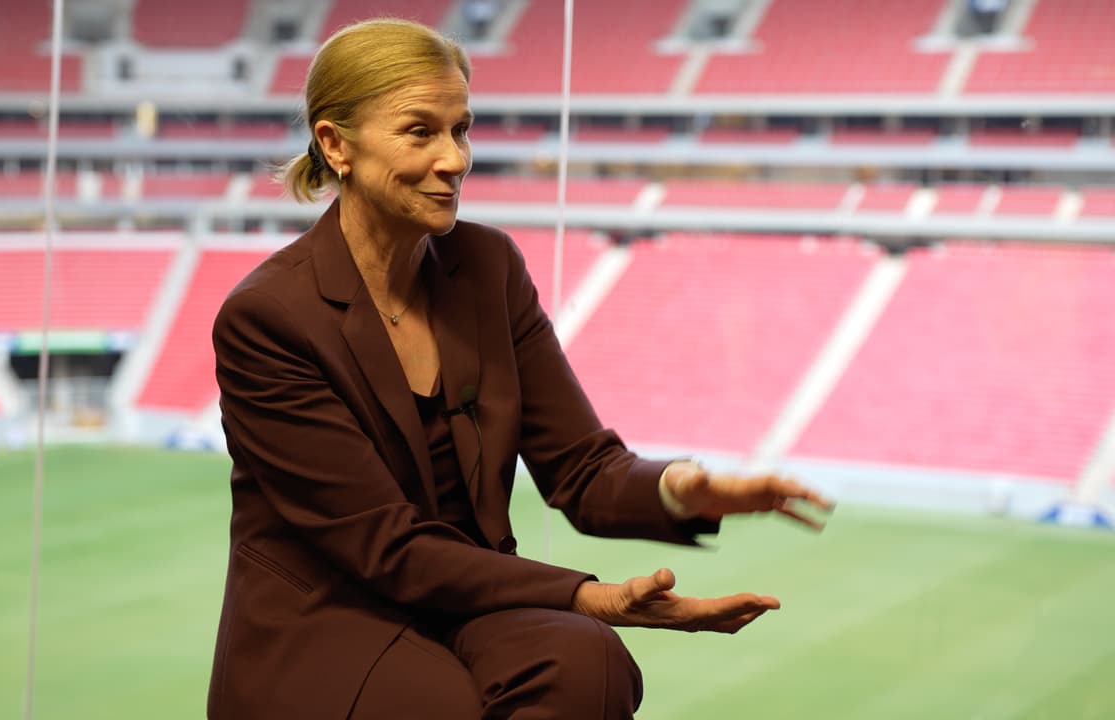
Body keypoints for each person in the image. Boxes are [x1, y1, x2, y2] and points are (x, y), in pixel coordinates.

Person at [207, 17, 833, 720]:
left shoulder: (489, 268)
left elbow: (583, 470)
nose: (454, 159)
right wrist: (590, 595)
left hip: (467, 599)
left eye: (462, 129)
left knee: (589, 663)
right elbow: (384, 549)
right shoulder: (268, 317)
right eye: (421, 132)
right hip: (331, 615)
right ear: (335, 144)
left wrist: (687, 489)